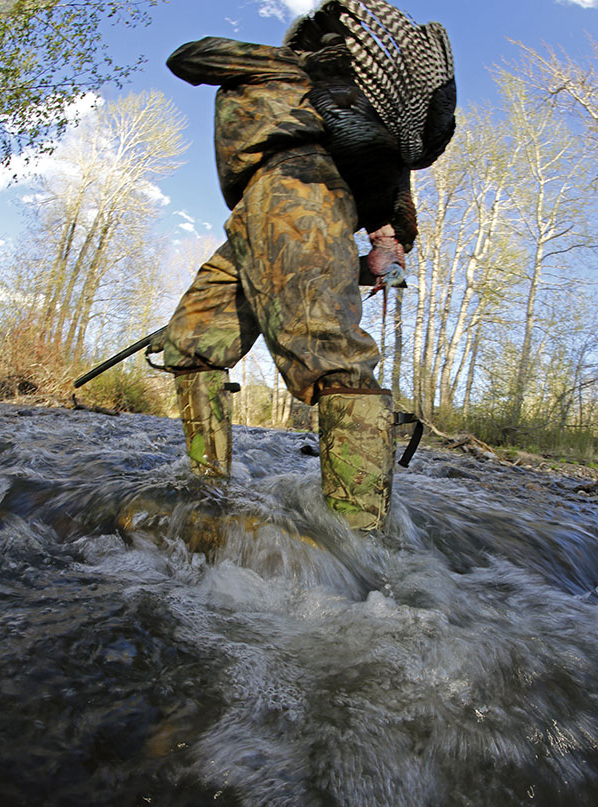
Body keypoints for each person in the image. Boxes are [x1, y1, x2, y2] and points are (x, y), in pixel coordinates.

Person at [154, 0, 456, 532]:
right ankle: (206, 491)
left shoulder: (290, 71)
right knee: (193, 340)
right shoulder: (326, 92)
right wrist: (385, 263)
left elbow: (188, 56)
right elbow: (380, 258)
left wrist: (278, 60)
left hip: (294, 189)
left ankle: (361, 546)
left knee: (327, 350)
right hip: (263, 213)